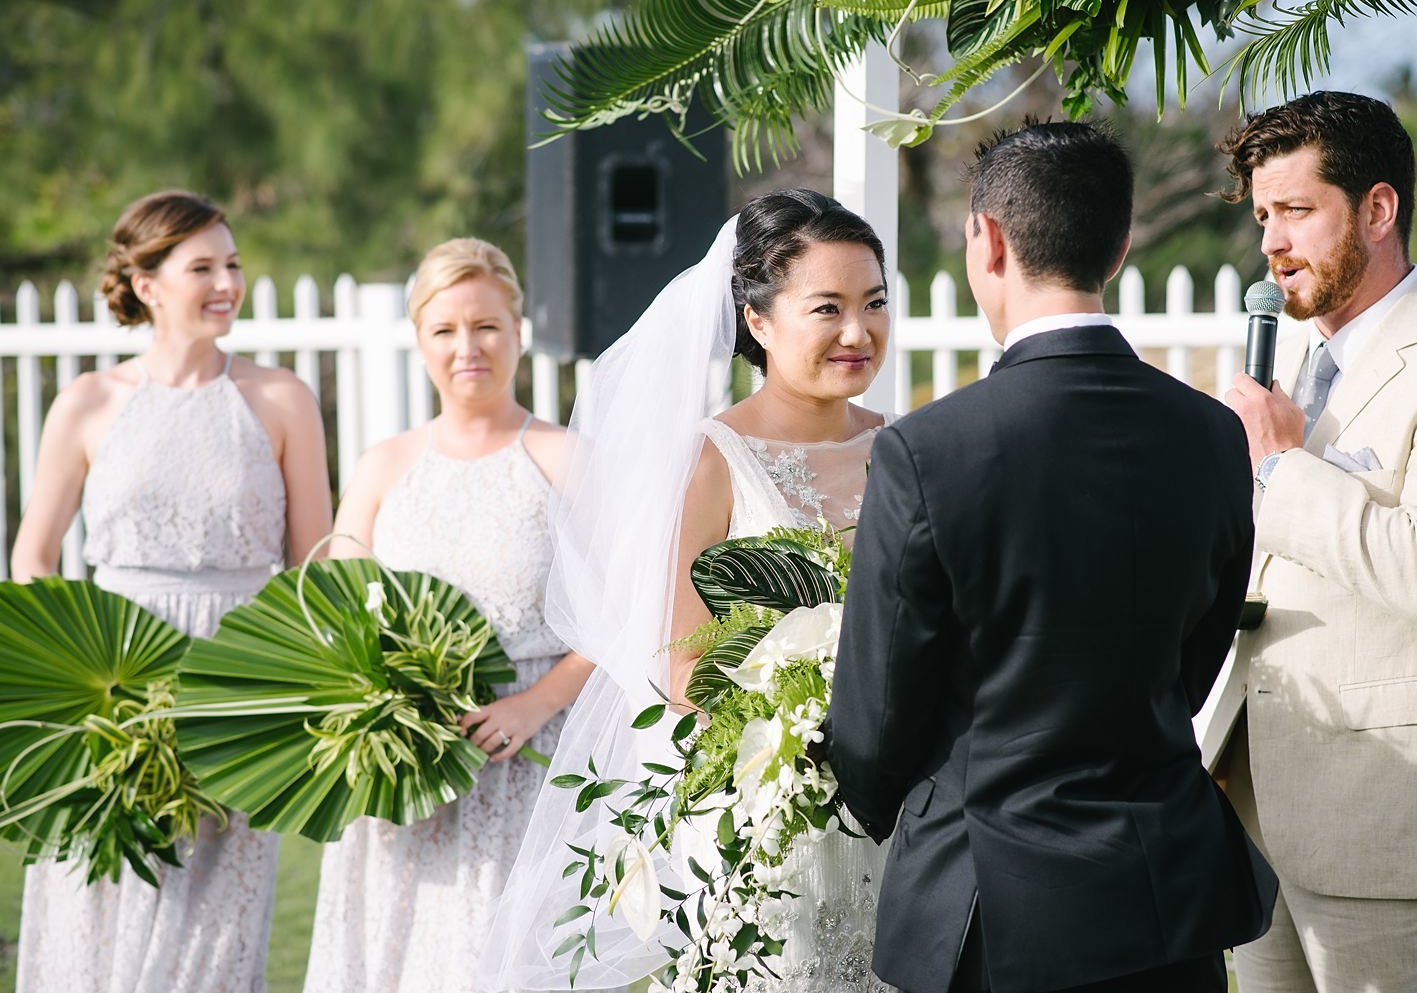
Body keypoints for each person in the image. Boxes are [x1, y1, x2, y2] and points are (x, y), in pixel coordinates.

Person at [825, 120, 1277, 993]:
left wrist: (897, 808)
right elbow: (1196, 659)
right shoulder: (1213, 435)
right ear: (1120, 242)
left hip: (989, 912)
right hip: (1164, 899)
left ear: (986, 240)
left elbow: (874, 725)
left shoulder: (928, 451)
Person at [480, 188, 895, 992]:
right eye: (828, 307)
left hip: (898, 807)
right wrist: (805, 706)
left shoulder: (904, 447)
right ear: (759, 321)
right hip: (777, 817)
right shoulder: (708, 461)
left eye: (874, 303)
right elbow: (676, 666)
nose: (858, 331)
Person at [9, 189, 333, 992]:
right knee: (97, 924)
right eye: (203, 267)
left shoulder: (282, 399)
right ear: (147, 284)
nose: (226, 281)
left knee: (210, 943)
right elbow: (34, 558)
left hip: (235, 697)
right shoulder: (87, 402)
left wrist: (278, 690)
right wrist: (85, 687)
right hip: (110, 694)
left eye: (233, 264)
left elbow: (315, 568)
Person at [1218, 90, 1417, 993]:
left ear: (1379, 210)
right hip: (1255, 812)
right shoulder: (1299, 367)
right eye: (1265, 216)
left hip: (1390, 821)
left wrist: (1278, 462)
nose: (1272, 243)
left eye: (1297, 211)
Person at [299, 237, 594, 992]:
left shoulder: (566, 459)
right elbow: (337, 612)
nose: (469, 347)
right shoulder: (382, 464)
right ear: (421, 340)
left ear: (519, 330)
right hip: (402, 777)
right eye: (445, 330)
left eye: (487, 325)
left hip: (521, 760)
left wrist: (535, 704)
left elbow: (617, 620)